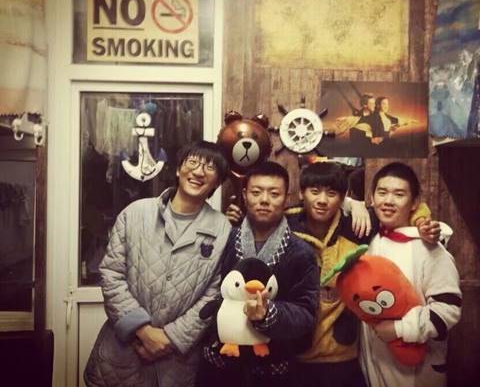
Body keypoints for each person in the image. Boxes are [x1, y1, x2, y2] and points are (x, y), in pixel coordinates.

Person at [226, 162, 441, 387]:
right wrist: (232, 217)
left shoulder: (358, 225)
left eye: (331, 193)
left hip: (344, 353)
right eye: (314, 191)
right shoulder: (285, 224)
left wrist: (422, 222)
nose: (322, 200)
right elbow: (254, 219)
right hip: (293, 352)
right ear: (301, 193)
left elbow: (410, 208)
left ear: (342, 197)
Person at [84, 141, 232, 387]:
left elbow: (214, 294)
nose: (198, 172)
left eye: (210, 167)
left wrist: (170, 339)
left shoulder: (222, 229)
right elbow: (111, 274)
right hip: (122, 355)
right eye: (193, 162)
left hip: (176, 363)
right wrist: (143, 331)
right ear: (178, 169)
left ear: (217, 182)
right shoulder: (135, 213)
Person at [196, 161, 320, 387]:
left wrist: (268, 313)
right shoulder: (225, 240)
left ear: (287, 198)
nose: (264, 200)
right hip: (219, 364)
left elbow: (306, 313)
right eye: (256, 192)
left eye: (274, 194)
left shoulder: (301, 252)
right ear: (244, 195)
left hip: (272, 368)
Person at [359, 162, 462, 387]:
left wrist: (399, 329)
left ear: (415, 203)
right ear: (372, 198)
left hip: (416, 371)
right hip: (374, 367)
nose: (388, 201)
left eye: (399, 194)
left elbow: (448, 310)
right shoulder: (370, 240)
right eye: (382, 192)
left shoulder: (429, 248)